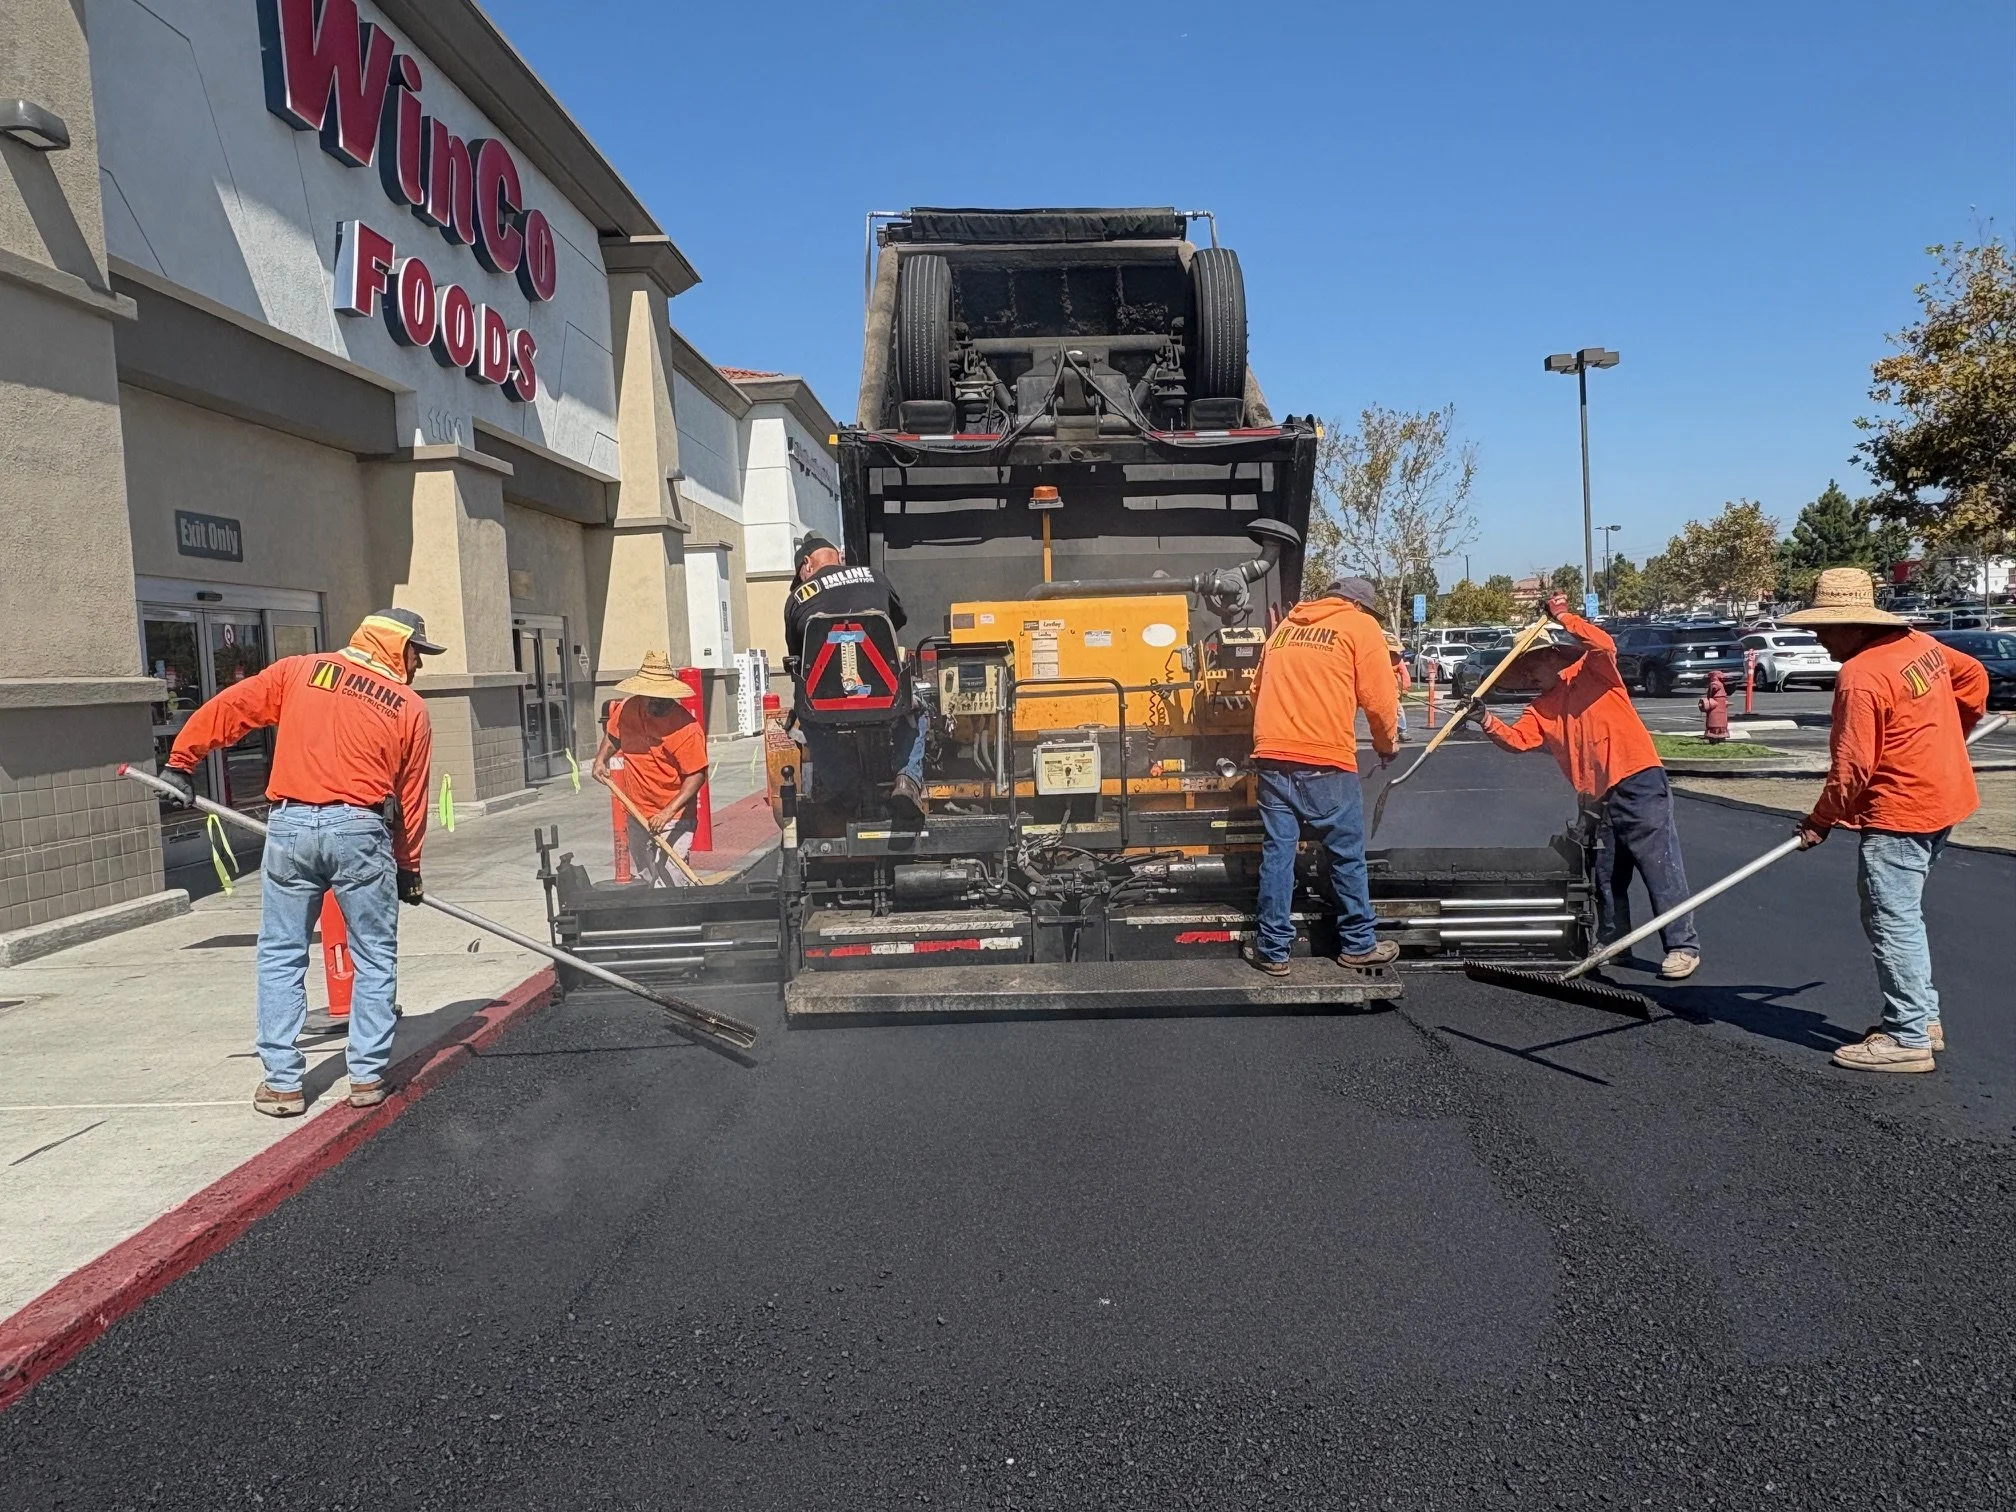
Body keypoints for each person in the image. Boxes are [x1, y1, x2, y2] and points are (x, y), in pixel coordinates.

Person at [159, 609, 440, 1116]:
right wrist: (408, 865)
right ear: (397, 647)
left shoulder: (302, 671)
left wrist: (182, 762)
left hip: (290, 828)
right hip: (360, 830)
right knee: (374, 954)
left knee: (281, 952)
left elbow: (231, 708)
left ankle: (284, 1084)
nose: (419, 664)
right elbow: (412, 797)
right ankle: (366, 1077)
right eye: (417, 652)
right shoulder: (409, 707)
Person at [1785, 568, 1988, 1074]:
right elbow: (1974, 679)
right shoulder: (1919, 644)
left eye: (1824, 629)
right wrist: (1948, 735)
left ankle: (1907, 1038)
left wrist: (1819, 821)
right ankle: (1923, 1019)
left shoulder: (1862, 675)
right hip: (1945, 797)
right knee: (1904, 917)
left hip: (1901, 811)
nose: (1819, 637)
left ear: (1854, 625)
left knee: (1890, 920)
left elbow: (1851, 768)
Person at [1467, 592, 1701, 979]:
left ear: (1554, 658)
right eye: (1523, 670)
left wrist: (1564, 616)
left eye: (1532, 664)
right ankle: (1615, 944)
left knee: (1658, 865)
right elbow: (1518, 741)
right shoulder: (1541, 708)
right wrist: (1485, 719)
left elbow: (1603, 642)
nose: (1528, 675)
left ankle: (1682, 946)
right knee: (1607, 875)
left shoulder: (1596, 672)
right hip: (1597, 797)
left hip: (1637, 778)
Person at [1244, 576, 1403, 975]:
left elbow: (1255, 690)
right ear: (1358, 605)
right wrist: (1386, 746)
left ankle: (1273, 951)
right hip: (1324, 759)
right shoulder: (1358, 626)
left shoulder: (1285, 629)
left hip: (1272, 757)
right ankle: (1358, 945)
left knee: (1278, 853)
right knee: (1345, 853)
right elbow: (1381, 698)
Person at [783, 533, 925, 820]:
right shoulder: (875, 577)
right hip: (884, 696)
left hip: (827, 703)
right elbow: (896, 621)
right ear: (839, 558)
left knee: (808, 719)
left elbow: (800, 662)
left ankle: (847, 789)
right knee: (917, 710)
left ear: (807, 564)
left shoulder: (798, 597)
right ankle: (906, 780)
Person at [592, 653, 707, 887]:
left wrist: (666, 812)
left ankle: (678, 918)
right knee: (647, 875)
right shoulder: (627, 709)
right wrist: (600, 759)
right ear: (642, 694)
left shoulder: (686, 728)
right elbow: (614, 736)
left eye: (664, 699)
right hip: (636, 809)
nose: (658, 703)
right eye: (652, 698)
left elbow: (696, 776)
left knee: (672, 878)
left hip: (673, 815)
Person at [1387, 631, 1413, 738]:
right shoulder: (1379, 658)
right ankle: (1387, 733)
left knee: (1398, 710)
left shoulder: (1398, 659)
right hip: (1380, 690)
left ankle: (1402, 731)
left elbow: (1405, 675)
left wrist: (1405, 689)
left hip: (1393, 690)